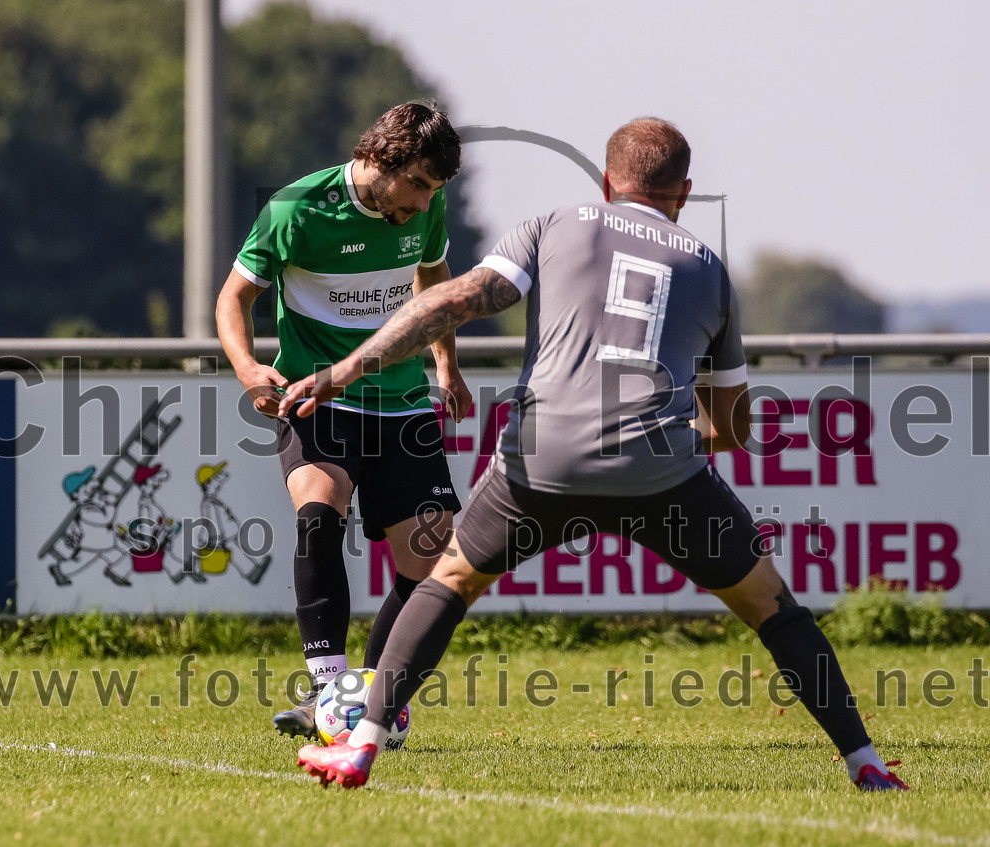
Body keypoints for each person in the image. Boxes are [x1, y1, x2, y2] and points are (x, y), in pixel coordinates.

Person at [280, 117, 910, 792]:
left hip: (542, 460)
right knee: (773, 607)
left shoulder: (553, 223)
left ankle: (362, 744)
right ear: (685, 191)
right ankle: (863, 761)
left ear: (607, 182)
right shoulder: (707, 267)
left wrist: (343, 370)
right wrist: (656, 435)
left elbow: (453, 300)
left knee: (449, 582)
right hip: (662, 472)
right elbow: (732, 427)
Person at [216, 101, 472, 740]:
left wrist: (446, 364)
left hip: (403, 402)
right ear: (382, 157)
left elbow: (433, 280)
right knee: (318, 510)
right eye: (416, 183)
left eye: (433, 191)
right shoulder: (295, 208)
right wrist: (249, 370)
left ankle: (374, 689)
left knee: (433, 561)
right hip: (317, 398)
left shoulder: (425, 206)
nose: (421, 202)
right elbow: (233, 299)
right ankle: (329, 688)